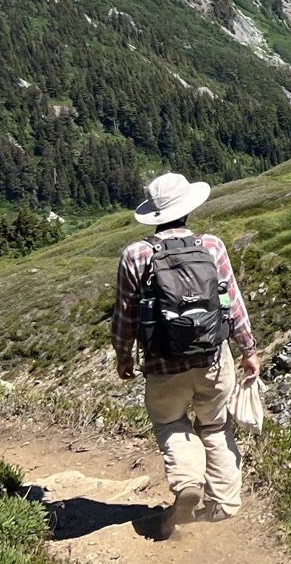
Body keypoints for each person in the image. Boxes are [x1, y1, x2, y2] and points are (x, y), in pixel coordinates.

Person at [111, 171, 259, 539]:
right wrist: (249, 350)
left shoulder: (135, 255)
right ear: (188, 209)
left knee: (170, 423)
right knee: (215, 424)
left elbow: (126, 314)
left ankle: (188, 482)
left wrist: (124, 355)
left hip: (162, 363)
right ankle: (224, 504)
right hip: (212, 358)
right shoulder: (212, 246)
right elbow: (232, 303)